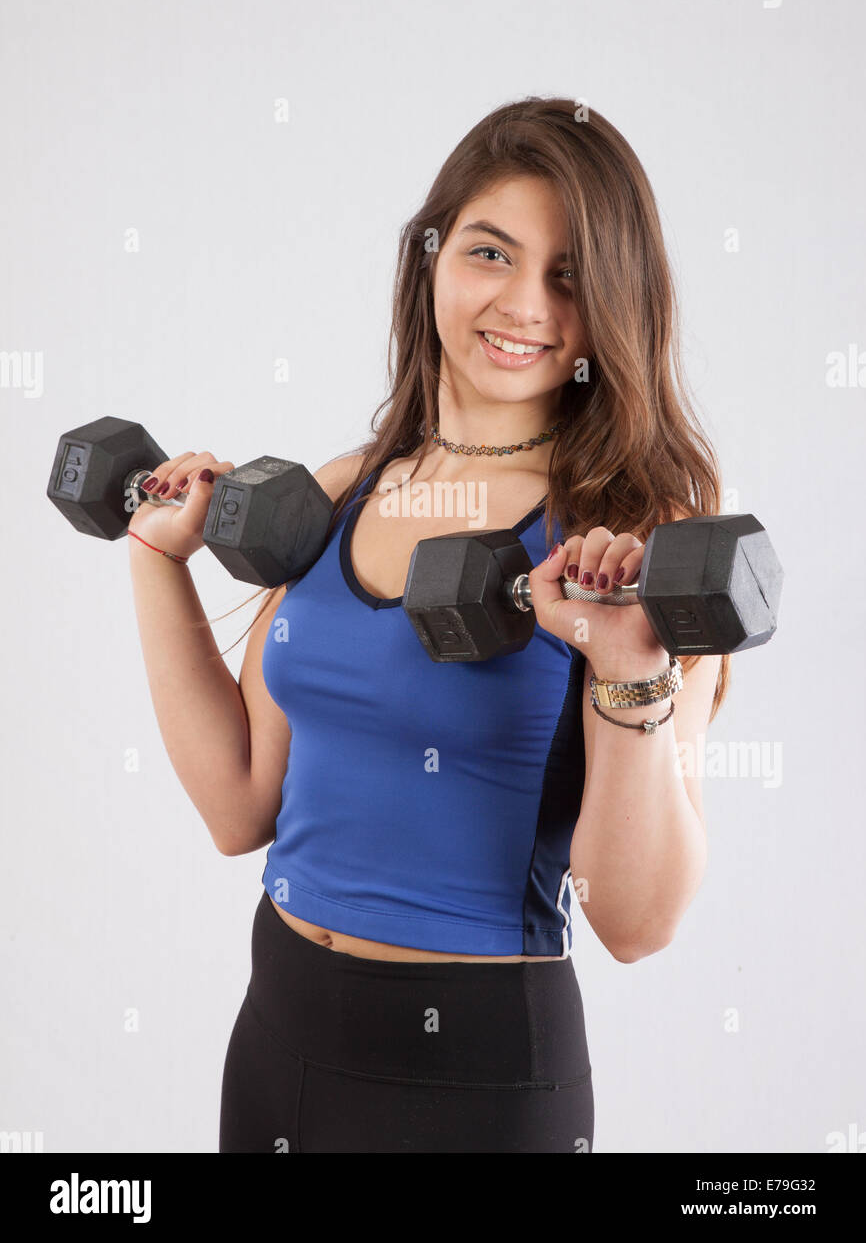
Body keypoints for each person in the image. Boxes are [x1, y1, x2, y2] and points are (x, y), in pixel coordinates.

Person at [127, 96, 728, 1153]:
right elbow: (238, 804)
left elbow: (636, 921)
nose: (523, 304)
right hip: (276, 1043)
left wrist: (627, 664)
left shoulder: (633, 543)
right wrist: (154, 560)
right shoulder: (341, 492)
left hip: (478, 1081)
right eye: (490, 252)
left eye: (570, 275)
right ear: (431, 257)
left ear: (615, 306)